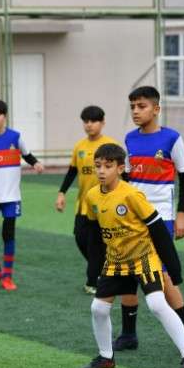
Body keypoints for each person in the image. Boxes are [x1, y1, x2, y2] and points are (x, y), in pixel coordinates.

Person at [80, 143, 184, 368]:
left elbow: (157, 229)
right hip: (115, 261)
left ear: (120, 168)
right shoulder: (92, 196)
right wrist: (93, 270)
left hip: (143, 258)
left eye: (108, 166)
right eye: (98, 166)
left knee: (156, 304)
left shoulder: (131, 194)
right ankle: (106, 357)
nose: (102, 171)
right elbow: (94, 235)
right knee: (98, 309)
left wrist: (174, 269)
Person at [115, 86, 184, 357]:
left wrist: (182, 214)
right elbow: (128, 181)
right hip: (133, 219)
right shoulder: (129, 139)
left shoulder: (171, 139)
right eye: (132, 107)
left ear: (156, 109)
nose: (135, 111)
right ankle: (129, 334)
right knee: (127, 273)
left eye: (141, 106)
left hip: (161, 219)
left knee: (164, 278)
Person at [0, 99, 45, 291]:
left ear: (5, 116)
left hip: (11, 197)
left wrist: (35, 163)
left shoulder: (15, 137)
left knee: (8, 234)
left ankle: (7, 276)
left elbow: (27, 154)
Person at [55, 105, 120, 295]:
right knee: (80, 239)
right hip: (82, 205)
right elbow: (72, 171)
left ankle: (93, 281)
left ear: (103, 123)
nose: (89, 125)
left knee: (95, 244)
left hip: (104, 206)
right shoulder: (80, 146)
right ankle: (102, 270)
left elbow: (121, 173)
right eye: (86, 121)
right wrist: (61, 193)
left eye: (93, 121)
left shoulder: (110, 146)